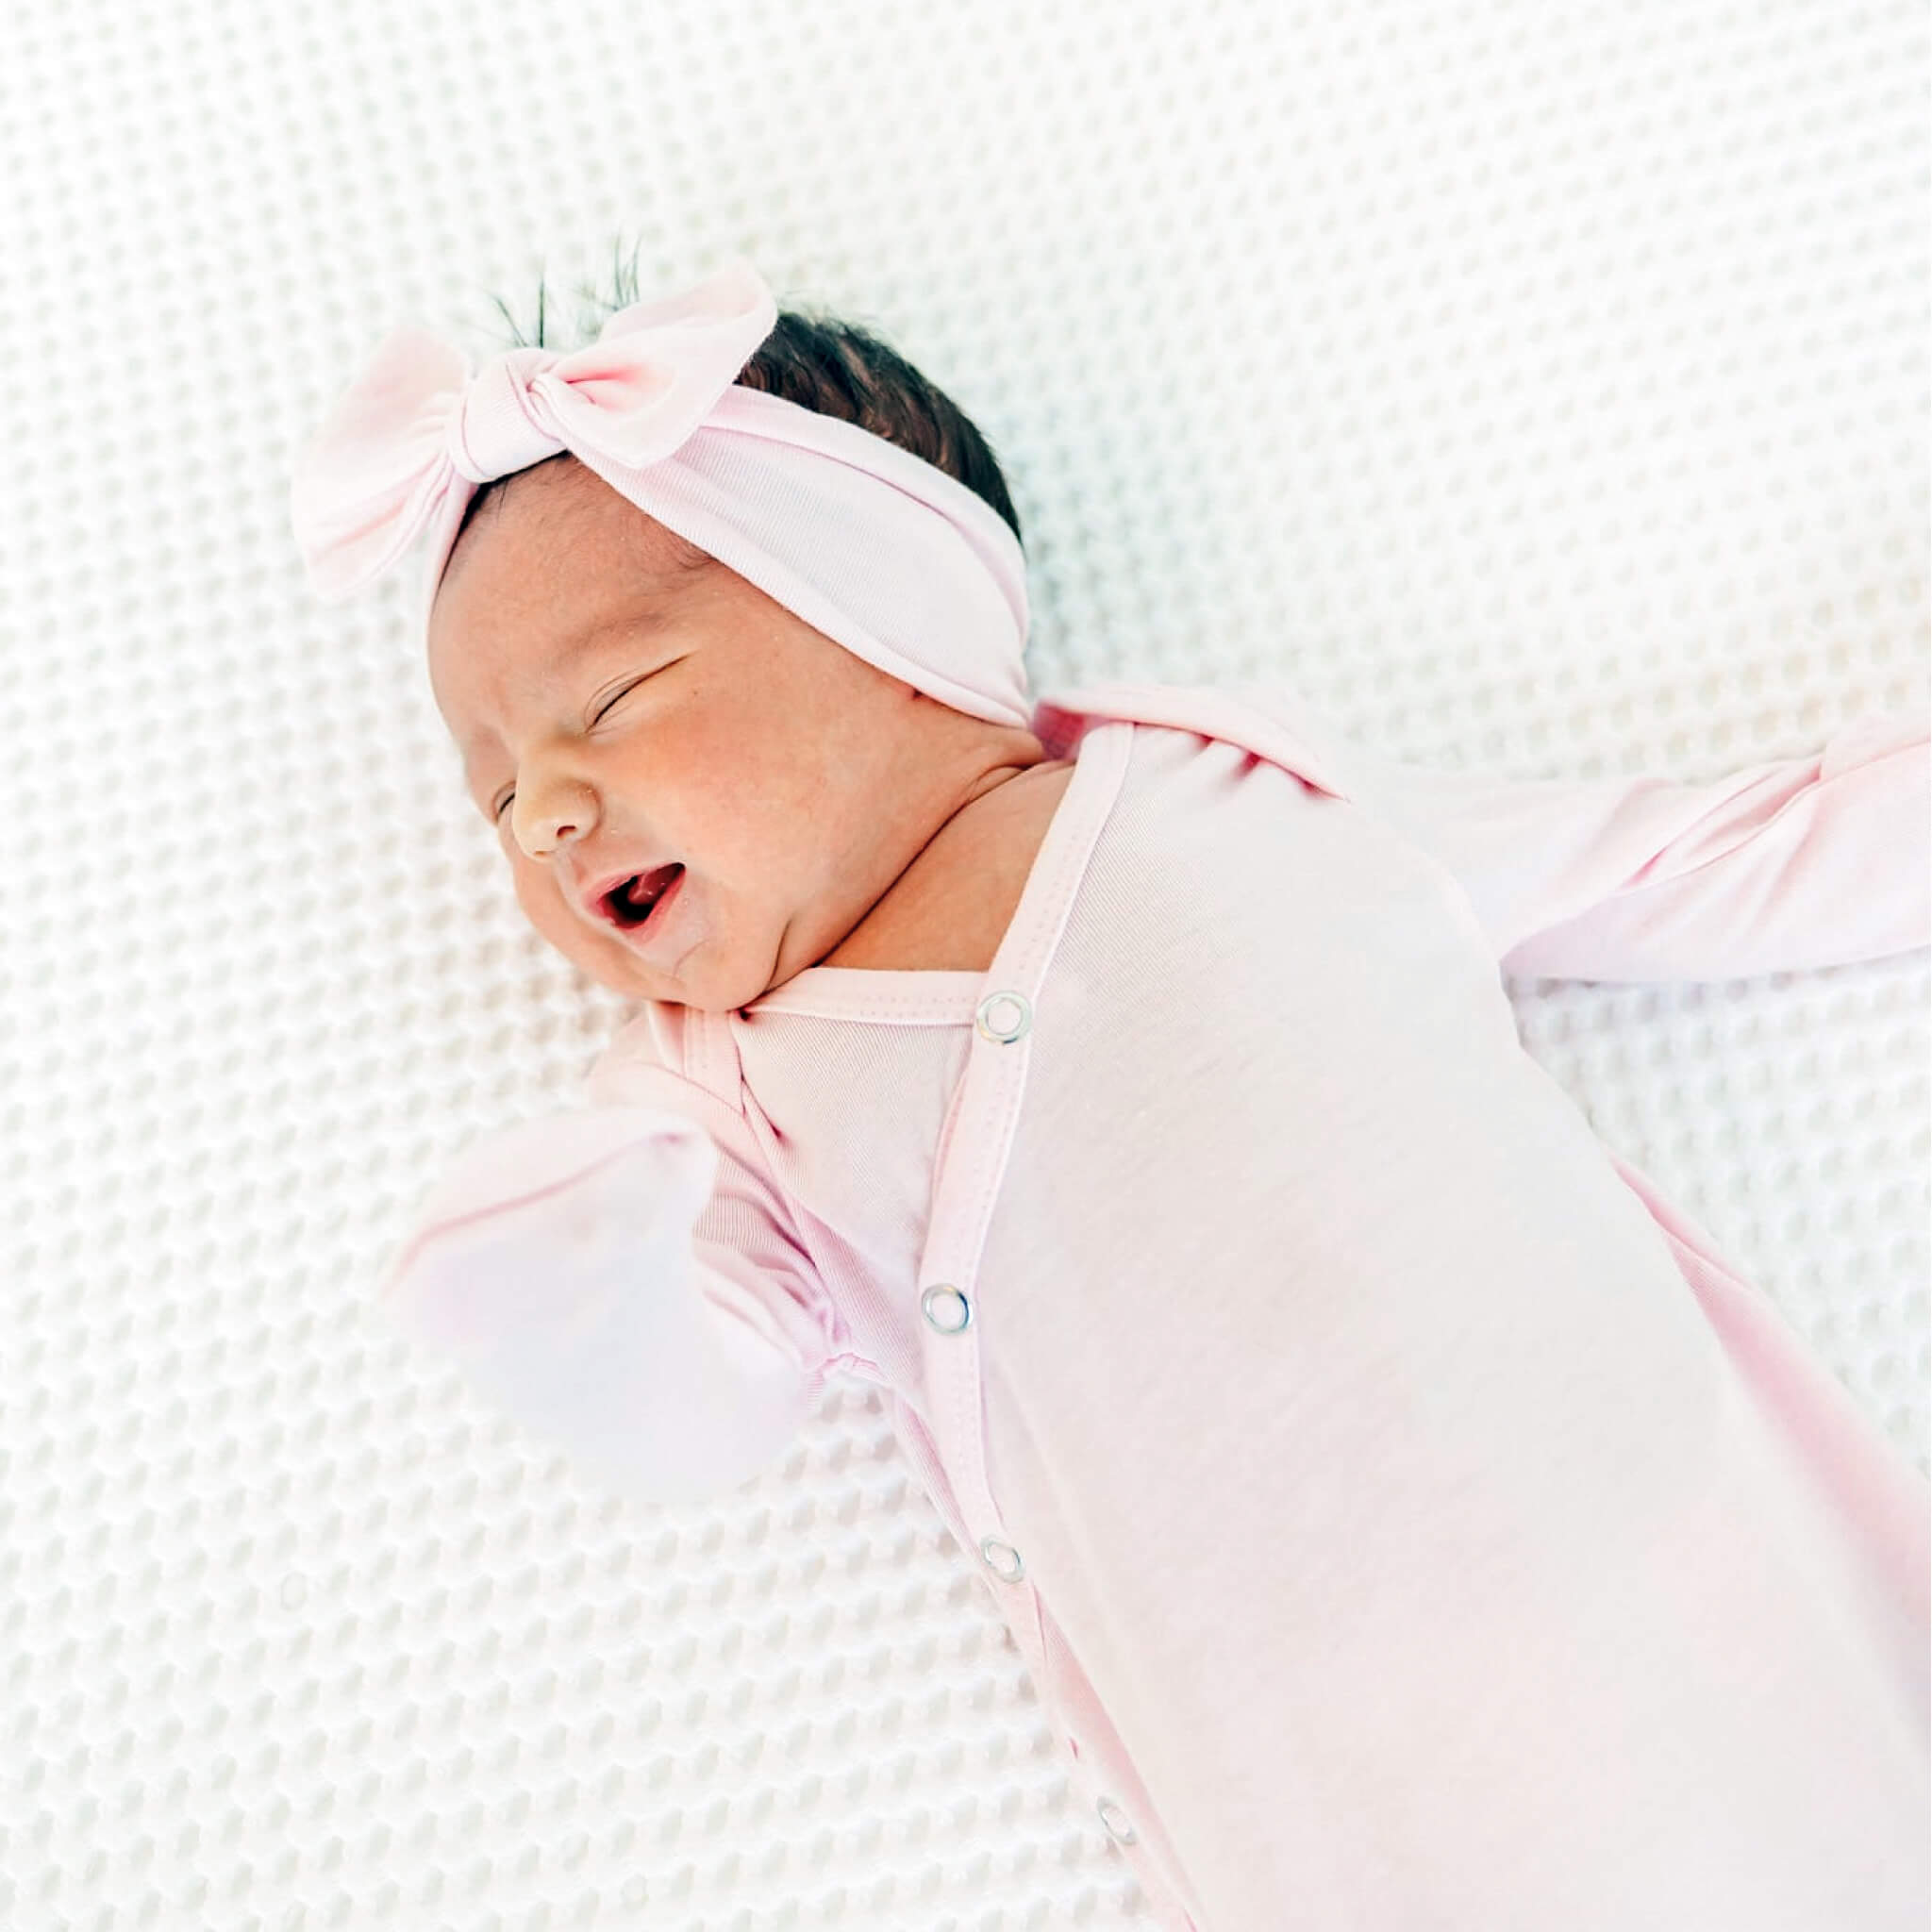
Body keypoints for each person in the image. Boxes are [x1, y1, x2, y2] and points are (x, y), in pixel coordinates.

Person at [291, 254, 1930, 1930]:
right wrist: (587, 1287)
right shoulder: (722, 1106)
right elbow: (713, 1387)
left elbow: (1705, 859)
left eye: (613, 704)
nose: (546, 816)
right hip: (1334, 1781)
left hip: (1685, 1587)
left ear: (891, 626)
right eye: (493, 795)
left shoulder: (1252, 798)